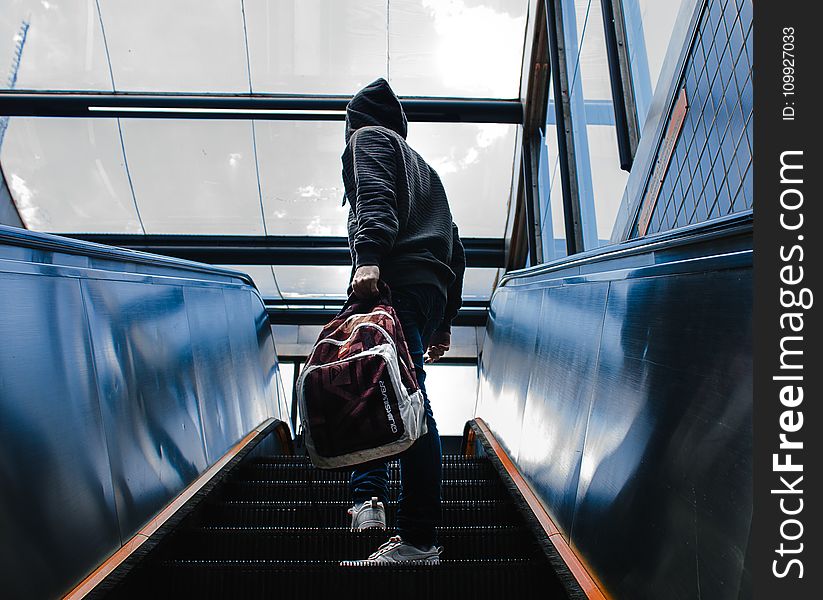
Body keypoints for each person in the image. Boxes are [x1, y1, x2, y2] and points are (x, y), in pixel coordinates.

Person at [340, 78, 465, 565]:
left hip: (395, 280)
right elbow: (458, 249)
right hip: (427, 291)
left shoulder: (367, 140)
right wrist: (445, 321)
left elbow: (374, 198)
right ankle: (370, 500)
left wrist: (367, 259)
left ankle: (416, 537)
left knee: (399, 398)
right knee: (389, 388)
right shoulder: (428, 173)